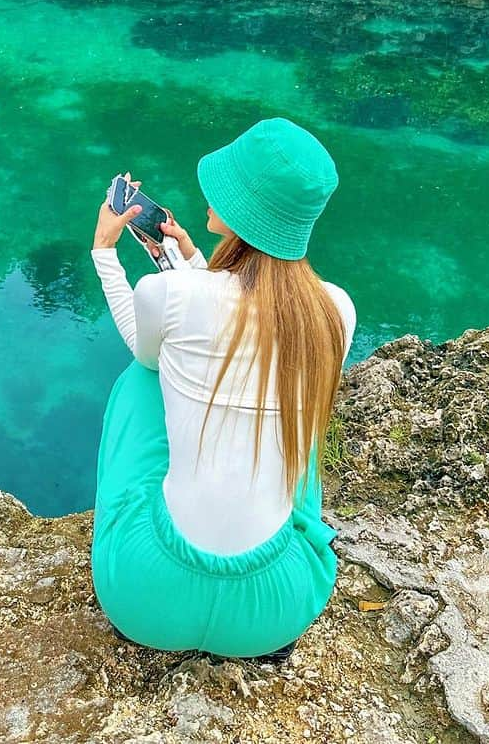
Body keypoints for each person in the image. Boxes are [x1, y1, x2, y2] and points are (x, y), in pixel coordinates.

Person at [89, 117, 357, 661]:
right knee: (297, 431)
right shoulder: (334, 312)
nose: (209, 193)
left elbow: (148, 350)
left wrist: (104, 254)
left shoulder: (170, 293)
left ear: (242, 207)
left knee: (139, 381)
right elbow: (243, 315)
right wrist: (191, 259)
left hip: (145, 596)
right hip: (277, 609)